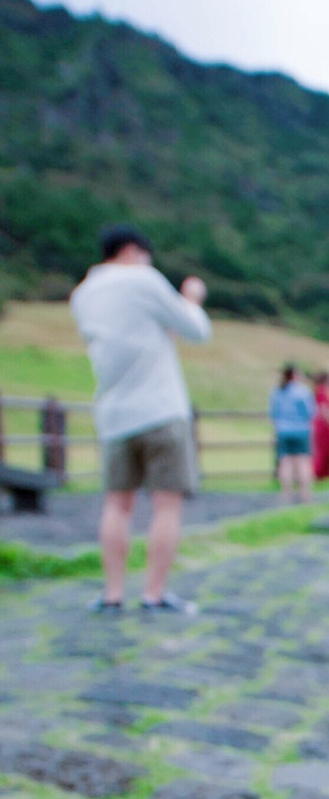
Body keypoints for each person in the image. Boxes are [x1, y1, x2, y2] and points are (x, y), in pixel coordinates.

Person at [70, 223, 211, 614]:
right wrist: (192, 299)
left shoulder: (82, 295)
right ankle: (154, 593)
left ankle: (113, 593)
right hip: (160, 409)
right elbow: (195, 329)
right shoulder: (143, 281)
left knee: (117, 504)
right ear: (132, 251)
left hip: (114, 414)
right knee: (166, 504)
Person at [269, 364, 315, 502]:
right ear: (295, 375)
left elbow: (274, 414)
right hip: (301, 431)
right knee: (302, 462)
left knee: (285, 463)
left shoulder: (277, 392)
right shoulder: (303, 392)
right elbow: (310, 412)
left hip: (283, 431)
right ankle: (305, 495)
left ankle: (286, 495)